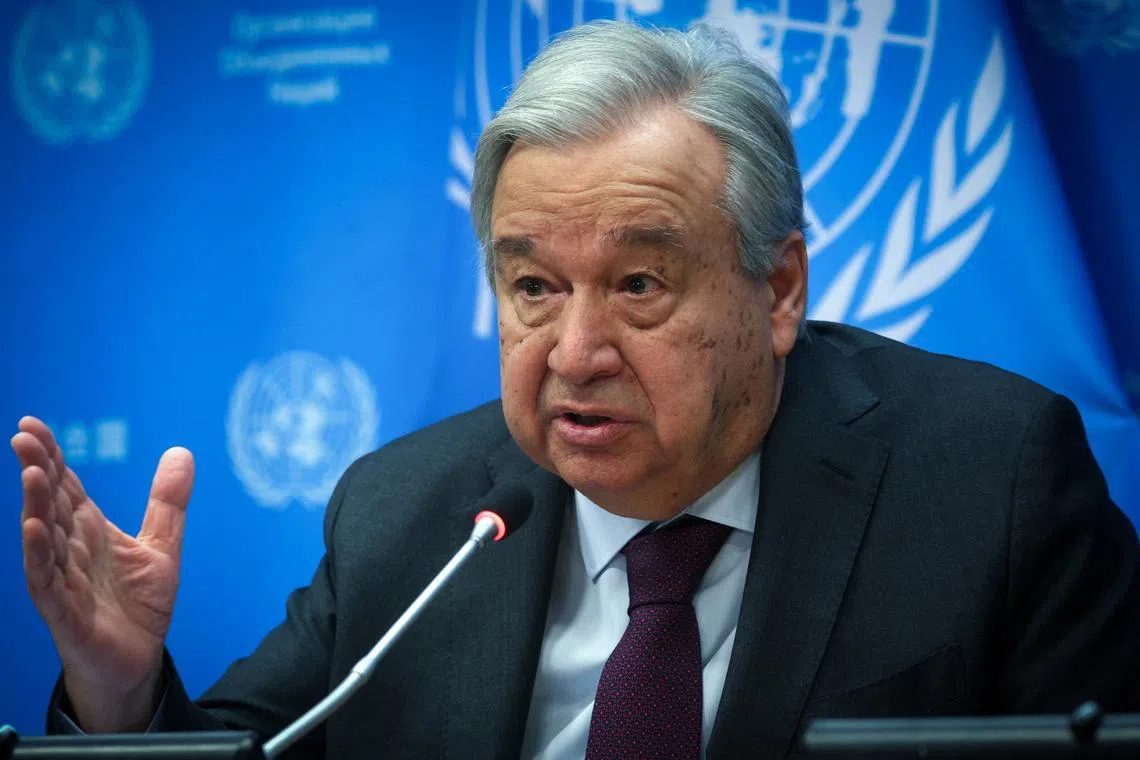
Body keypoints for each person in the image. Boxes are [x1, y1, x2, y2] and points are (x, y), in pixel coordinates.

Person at [12, 20, 1140, 760]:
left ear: (779, 287)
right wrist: (119, 690)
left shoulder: (990, 480)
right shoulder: (410, 515)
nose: (575, 349)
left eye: (640, 283)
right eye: (534, 286)